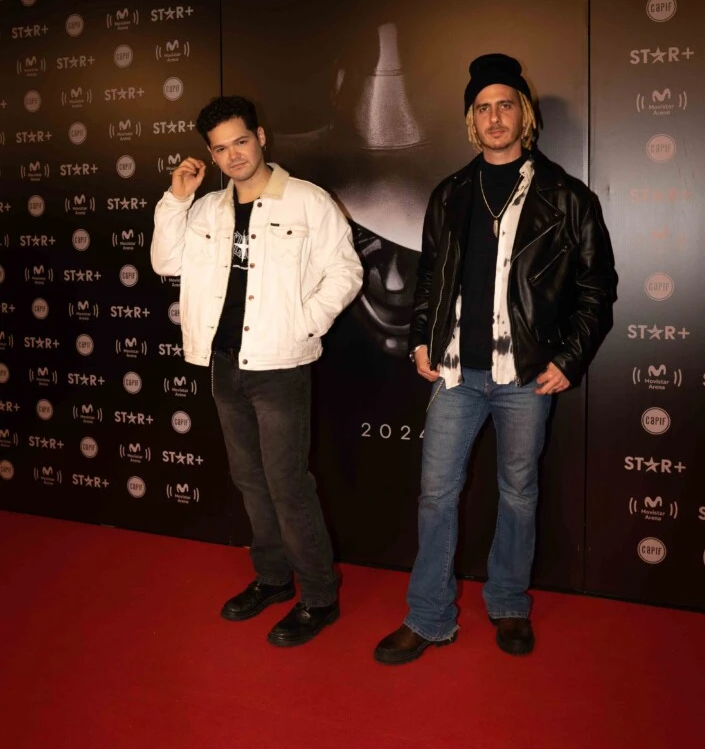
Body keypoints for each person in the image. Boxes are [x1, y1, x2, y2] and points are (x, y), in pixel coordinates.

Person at [374, 54, 617, 664]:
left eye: (505, 104)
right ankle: (428, 616)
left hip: (525, 375)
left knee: (519, 493)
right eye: (483, 108)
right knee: (435, 495)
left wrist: (571, 357)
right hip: (457, 372)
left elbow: (597, 287)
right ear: (471, 120)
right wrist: (422, 337)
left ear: (524, 113)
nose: (494, 117)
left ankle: (509, 602)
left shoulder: (567, 196)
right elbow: (430, 276)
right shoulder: (451, 194)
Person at [151, 95, 363, 647]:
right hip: (223, 365)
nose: (233, 155)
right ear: (211, 155)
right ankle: (272, 578)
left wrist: (305, 323)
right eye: (220, 149)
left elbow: (345, 271)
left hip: (279, 366)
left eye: (240, 141)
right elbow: (165, 261)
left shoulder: (307, 201)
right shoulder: (204, 209)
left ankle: (319, 595)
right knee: (250, 481)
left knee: (288, 484)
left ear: (261, 137)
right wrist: (177, 199)